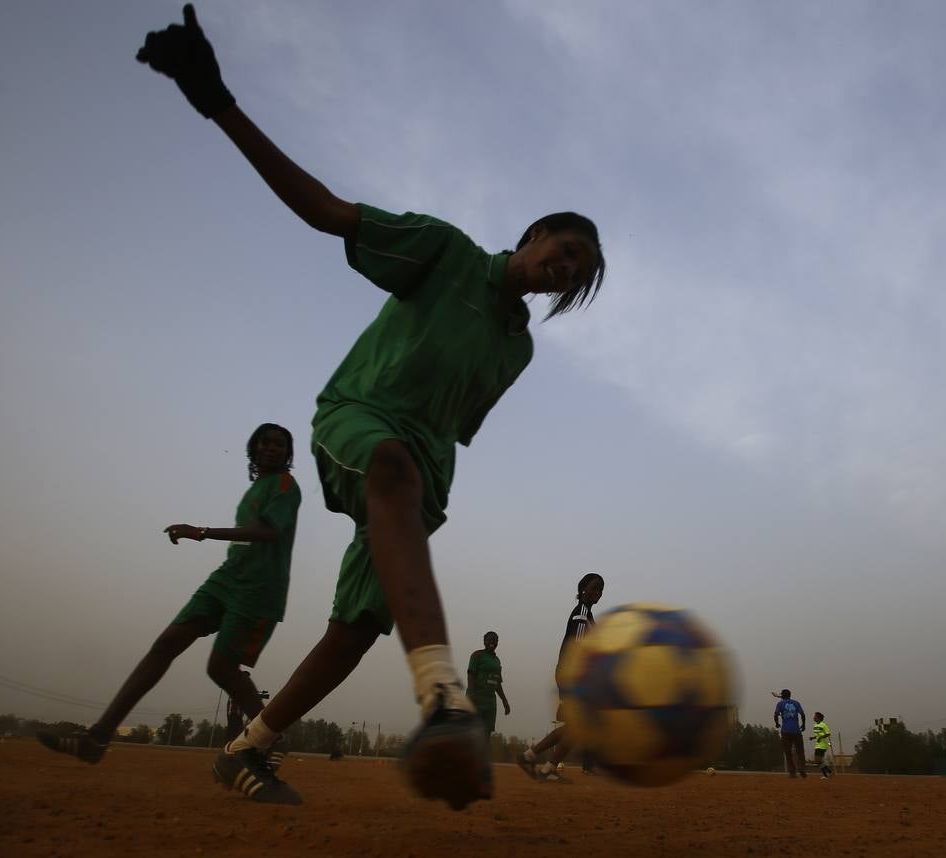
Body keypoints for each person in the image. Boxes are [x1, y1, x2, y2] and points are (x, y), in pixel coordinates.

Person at [135, 6, 606, 811]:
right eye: (563, 252)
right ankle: (442, 696)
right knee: (389, 463)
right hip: (359, 420)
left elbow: (455, 427)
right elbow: (326, 211)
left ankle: (246, 748)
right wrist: (218, 103)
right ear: (533, 235)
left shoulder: (517, 350)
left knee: (354, 629)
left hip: (422, 475)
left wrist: (416, 491)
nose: (564, 271)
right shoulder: (445, 249)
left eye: (579, 273)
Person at [38, 423, 300, 767]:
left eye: (280, 444)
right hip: (227, 577)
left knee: (221, 668)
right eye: (265, 442)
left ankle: (273, 737)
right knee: (166, 644)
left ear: (287, 452)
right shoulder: (256, 489)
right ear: (253, 449)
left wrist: (201, 532)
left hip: (259, 588)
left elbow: (267, 531)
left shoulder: (285, 486)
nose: (272, 448)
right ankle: (98, 737)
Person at [517, 574, 604, 782]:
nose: (598, 592)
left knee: (577, 726)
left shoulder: (587, 614)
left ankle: (539, 762)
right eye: (594, 588)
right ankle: (538, 762)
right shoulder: (582, 613)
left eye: (601, 589)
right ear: (583, 589)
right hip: (572, 676)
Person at [466, 631, 511, 739]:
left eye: (495, 640)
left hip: (490, 702)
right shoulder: (477, 655)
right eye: (489, 639)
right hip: (477, 698)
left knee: (486, 733)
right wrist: (471, 695)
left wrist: (504, 701)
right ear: (484, 641)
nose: (492, 642)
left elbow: (497, 683)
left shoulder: (497, 661)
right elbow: (471, 674)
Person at [774, 689, 808, 778]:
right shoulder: (796, 703)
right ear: (790, 695)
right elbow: (802, 714)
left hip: (785, 731)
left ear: (782, 696)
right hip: (796, 730)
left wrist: (777, 723)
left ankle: (792, 772)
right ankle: (801, 767)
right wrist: (803, 725)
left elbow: (776, 714)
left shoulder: (780, 704)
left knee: (788, 752)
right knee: (800, 751)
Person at [810, 712, 832, 779]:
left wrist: (820, 737)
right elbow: (818, 735)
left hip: (823, 745)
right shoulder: (815, 725)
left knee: (818, 760)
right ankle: (828, 772)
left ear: (819, 718)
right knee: (818, 761)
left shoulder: (823, 725)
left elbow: (828, 734)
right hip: (818, 744)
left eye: (815, 716)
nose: (814, 718)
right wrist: (813, 737)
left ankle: (827, 774)